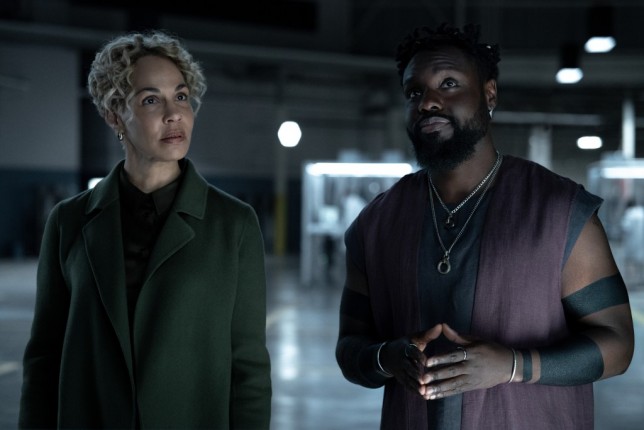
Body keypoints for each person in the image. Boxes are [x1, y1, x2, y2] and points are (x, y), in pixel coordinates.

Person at [335, 23, 634, 430]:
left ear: (489, 94)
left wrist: (514, 365)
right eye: (414, 92)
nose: (428, 102)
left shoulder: (558, 210)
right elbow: (350, 347)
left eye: (449, 84)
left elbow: (618, 345)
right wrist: (386, 357)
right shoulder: (376, 224)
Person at [19, 30, 272, 429]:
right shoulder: (69, 221)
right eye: (151, 100)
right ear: (114, 115)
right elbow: (44, 358)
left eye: (182, 96)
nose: (174, 114)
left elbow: (249, 368)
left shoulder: (233, 224)